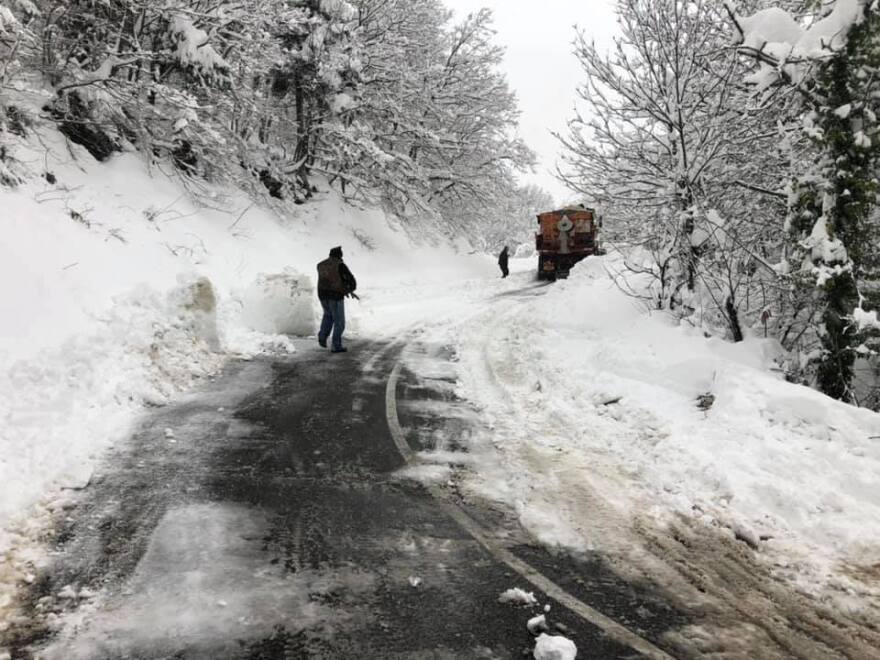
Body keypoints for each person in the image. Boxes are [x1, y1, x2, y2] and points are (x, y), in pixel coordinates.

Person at [316, 246, 357, 353]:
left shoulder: (320, 265)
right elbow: (350, 280)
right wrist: (349, 289)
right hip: (335, 296)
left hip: (322, 294)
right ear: (340, 255)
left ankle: (322, 337)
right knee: (339, 322)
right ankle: (336, 345)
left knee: (328, 316)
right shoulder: (340, 265)